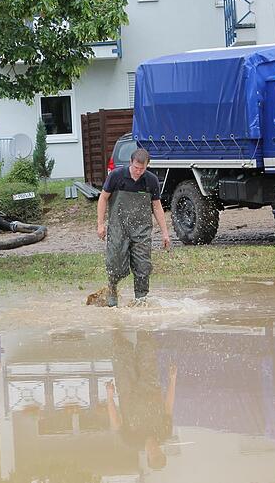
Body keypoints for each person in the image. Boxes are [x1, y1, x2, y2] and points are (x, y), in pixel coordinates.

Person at [96, 148, 172, 307]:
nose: (138, 171)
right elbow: (103, 198)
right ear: (130, 163)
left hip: (141, 230)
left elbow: (157, 207)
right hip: (118, 228)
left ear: (147, 166)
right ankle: (112, 289)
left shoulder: (150, 180)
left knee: (143, 266)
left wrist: (165, 233)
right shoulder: (116, 176)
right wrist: (101, 224)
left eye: (142, 169)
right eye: (136, 168)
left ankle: (141, 299)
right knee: (115, 263)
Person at [106, 330, 177, 472]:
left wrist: (109, 397)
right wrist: (173, 380)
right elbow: (168, 407)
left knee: (121, 350)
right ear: (162, 452)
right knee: (146, 347)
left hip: (127, 389)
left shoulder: (131, 440)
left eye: (153, 456)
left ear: (148, 457)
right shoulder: (165, 432)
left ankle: (114, 320)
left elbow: (116, 422)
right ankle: (140, 316)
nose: (155, 451)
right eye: (159, 453)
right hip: (150, 385)